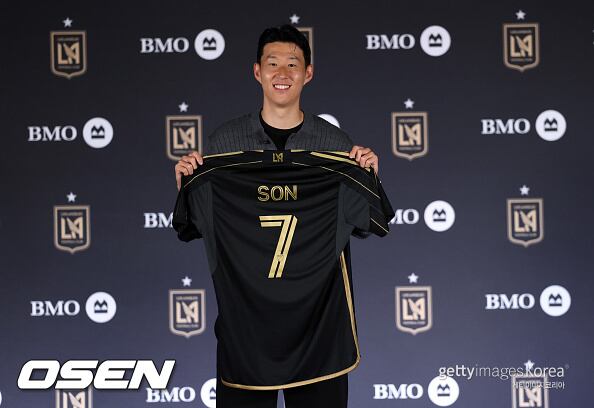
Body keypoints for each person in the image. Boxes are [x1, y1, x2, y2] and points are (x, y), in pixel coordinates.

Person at [174, 25, 381, 408]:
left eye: (292, 64)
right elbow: (197, 227)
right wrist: (187, 185)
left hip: (319, 332)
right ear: (257, 71)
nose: (282, 73)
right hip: (247, 332)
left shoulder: (335, 145)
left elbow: (365, 225)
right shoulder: (224, 143)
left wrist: (366, 177)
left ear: (308, 73)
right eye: (273, 64)